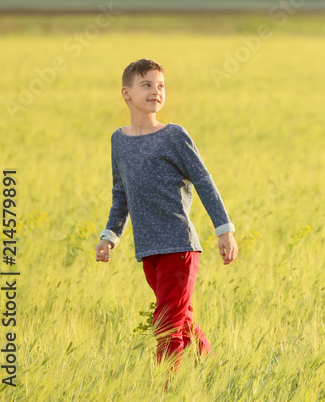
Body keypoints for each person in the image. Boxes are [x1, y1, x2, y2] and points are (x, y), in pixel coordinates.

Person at [94, 58, 238, 366]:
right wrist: (110, 236)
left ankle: (166, 388)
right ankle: (212, 373)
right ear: (126, 93)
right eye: (146, 84)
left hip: (180, 248)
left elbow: (203, 180)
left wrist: (224, 229)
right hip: (148, 251)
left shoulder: (173, 135)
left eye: (161, 86)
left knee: (166, 325)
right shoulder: (119, 141)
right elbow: (121, 193)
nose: (156, 91)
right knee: (181, 320)